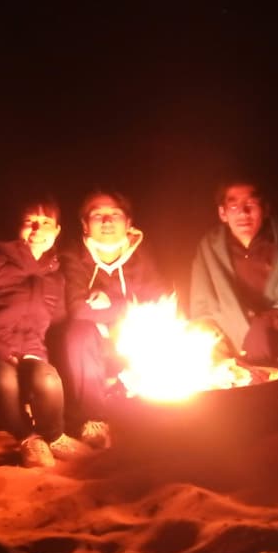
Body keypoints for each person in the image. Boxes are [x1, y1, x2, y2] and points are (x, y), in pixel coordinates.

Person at [0, 197, 89, 467]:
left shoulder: (56, 275)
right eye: (30, 222)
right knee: (4, 380)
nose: (38, 229)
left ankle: (54, 436)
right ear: (18, 226)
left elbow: (58, 321)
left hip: (32, 352)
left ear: (57, 231)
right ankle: (28, 438)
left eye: (46, 222)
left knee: (48, 378)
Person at [53, 190, 170, 447]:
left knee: (162, 331)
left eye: (115, 214)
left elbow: (159, 300)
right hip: (94, 339)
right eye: (97, 215)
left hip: (133, 332)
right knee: (78, 333)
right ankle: (94, 420)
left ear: (128, 223)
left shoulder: (142, 254)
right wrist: (129, 307)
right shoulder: (73, 255)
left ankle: (155, 415)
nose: (107, 221)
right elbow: (77, 309)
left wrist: (117, 306)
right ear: (85, 224)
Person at [188, 177, 278, 367]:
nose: (243, 212)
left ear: (266, 209)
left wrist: (267, 322)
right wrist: (211, 339)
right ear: (223, 213)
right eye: (234, 206)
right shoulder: (210, 248)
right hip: (229, 345)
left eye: (251, 204)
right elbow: (202, 305)